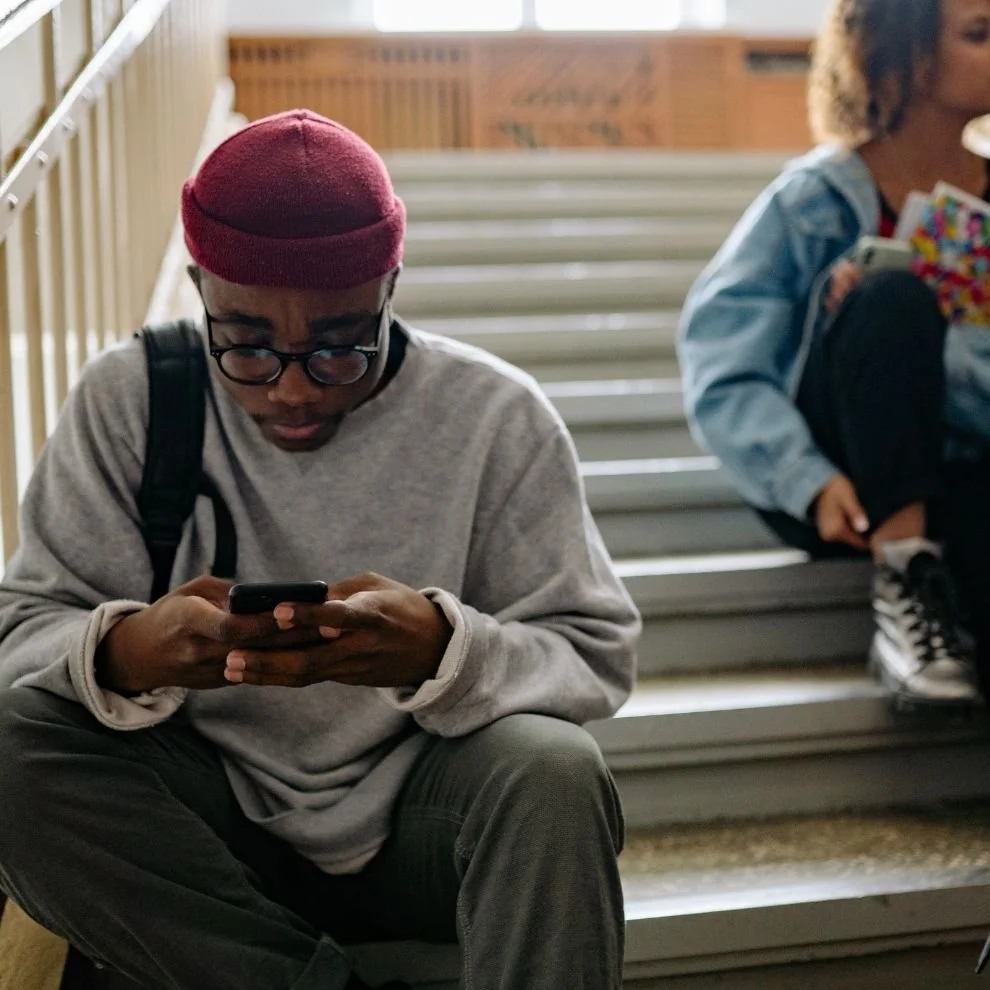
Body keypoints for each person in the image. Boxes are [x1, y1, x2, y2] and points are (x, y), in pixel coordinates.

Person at [0, 110, 640, 990]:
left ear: (390, 288)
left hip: (425, 822)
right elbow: (20, 630)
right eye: (248, 345)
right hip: (202, 827)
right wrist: (125, 652)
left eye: (342, 345)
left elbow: (593, 653)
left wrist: (444, 650)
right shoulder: (131, 401)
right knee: (10, 745)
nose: (293, 388)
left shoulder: (497, 418)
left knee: (557, 775)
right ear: (200, 289)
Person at [679, 0, 990, 711]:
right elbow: (724, 365)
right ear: (907, 57)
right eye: (979, 34)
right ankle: (906, 575)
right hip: (834, 484)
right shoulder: (811, 199)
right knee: (886, 297)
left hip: (960, 461)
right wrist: (804, 477)